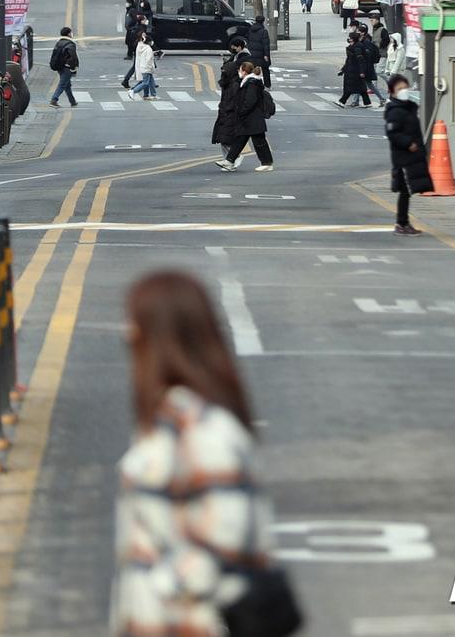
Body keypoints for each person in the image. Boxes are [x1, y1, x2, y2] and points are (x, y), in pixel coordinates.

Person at [113, 271, 271, 637]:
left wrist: (159, 588)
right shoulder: (172, 419)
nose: (127, 333)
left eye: (134, 322)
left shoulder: (201, 430)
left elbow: (227, 539)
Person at [383, 74, 432, 235]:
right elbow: (392, 133)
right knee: (405, 191)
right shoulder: (395, 111)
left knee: (407, 191)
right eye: (399, 89)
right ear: (392, 92)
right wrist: (408, 143)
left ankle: (403, 223)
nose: (404, 91)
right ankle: (401, 223)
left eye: (405, 87)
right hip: (403, 157)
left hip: (412, 155)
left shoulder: (408, 107)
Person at [214, 62, 274, 172]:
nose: (238, 72)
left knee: (259, 142)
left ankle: (267, 163)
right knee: (240, 140)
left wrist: (241, 112)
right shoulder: (249, 82)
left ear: (244, 71)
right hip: (250, 118)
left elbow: (250, 101)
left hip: (253, 118)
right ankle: (229, 161)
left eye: (240, 70)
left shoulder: (251, 83)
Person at [212, 37, 254, 157]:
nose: (232, 49)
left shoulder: (244, 59)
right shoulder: (229, 84)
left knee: (227, 139)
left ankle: (231, 159)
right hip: (226, 114)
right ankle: (229, 159)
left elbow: (236, 101)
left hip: (230, 114)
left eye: (234, 47)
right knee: (224, 139)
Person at [337, 32, 371, 108]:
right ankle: (367, 103)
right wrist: (343, 70)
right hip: (351, 70)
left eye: (350, 38)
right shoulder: (353, 47)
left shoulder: (357, 48)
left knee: (350, 87)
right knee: (361, 88)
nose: (349, 39)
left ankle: (342, 101)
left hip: (355, 71)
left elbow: (361, 60)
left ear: (353, 39)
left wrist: (362, 71)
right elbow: (348, 60)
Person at [356, 24, 387, 106]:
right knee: (365, 84)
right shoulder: (361, 41)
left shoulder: (366, 42)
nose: (357, 33)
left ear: (362, 33)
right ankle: (356, 101)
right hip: (364, 66)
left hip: (366, 67)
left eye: (358, 32)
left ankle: (382, 98)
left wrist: (363, 67)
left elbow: (367, 55)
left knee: (367, 84)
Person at [48, 26, 79, 107]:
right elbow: (73, 56)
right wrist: (72, 67)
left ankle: (73, 101)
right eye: (71, 32)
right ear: (69, 34)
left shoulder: (59, 42)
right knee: (62, 84)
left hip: (59, 67)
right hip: (67, 67)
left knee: (67, 85)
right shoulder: (70, 44)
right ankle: (54, 100)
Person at [130, 32, 159, 100]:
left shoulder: (141, 46)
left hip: (142, 66)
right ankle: (133, 91)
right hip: (147, 68)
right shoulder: (148, 49)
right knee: (145, 83)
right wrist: (151, 68)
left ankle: (151, 95)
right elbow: (148, 60)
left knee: (151, 81)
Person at [247, 14, 272, 88]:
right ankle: (267, 85)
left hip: (252, 53)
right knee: (265, 70)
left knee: (251, 69)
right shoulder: (264, 31)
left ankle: (250, 83)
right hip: (261, 54)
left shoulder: (251, 30)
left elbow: (249, 41)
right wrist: (266, 55)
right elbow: (266, 45)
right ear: (263, 22)